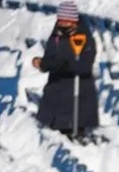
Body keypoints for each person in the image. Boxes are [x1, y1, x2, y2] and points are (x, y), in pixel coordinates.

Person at [33, 1, 99, 140]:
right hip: (57, 81)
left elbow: (86, 62)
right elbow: (50, 56)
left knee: (75, 106)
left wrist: (66, 65)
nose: (62, 24)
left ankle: (77, 131)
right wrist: (43, 64)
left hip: (78, 82)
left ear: (74, 22)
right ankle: (56, 128)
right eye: (60, 21)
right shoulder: (56, 36)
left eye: (66, 22)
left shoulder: (84, 37)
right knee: (54, 101)